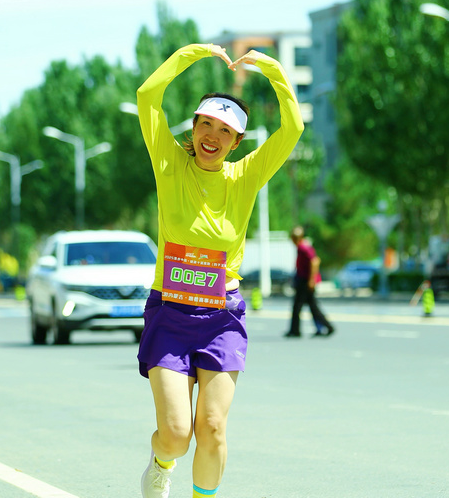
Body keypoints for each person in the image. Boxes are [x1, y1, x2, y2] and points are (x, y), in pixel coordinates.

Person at [136, 43, 303, 498]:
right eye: (206, 124)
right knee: (177, 434)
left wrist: (270, 68)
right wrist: (191, 54)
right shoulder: (169, 164)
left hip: (221, 317)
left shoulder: (245, 177)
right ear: (193, 128)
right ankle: (161, 462)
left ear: (236, 141)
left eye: (225, 130)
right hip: (170, 312)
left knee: (211, 427)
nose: (213, 135)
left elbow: (293, 128)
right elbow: (147, 96)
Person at [285, 226, 334, 338]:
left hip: (305, 281)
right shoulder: (301, 247)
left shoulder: (304, 247)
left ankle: (295, 330)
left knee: (298, 307)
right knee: (312, 306)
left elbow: (315, 261)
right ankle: (327, 327)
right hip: (303, 280)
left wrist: (312, 280)